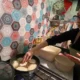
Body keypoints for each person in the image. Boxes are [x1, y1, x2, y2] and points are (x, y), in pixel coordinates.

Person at [23, 10, 80, 80]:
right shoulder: (75, 32)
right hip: (73, 69)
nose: (78, 20)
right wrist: (32, 50)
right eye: (78, 16)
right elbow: (52, 40)